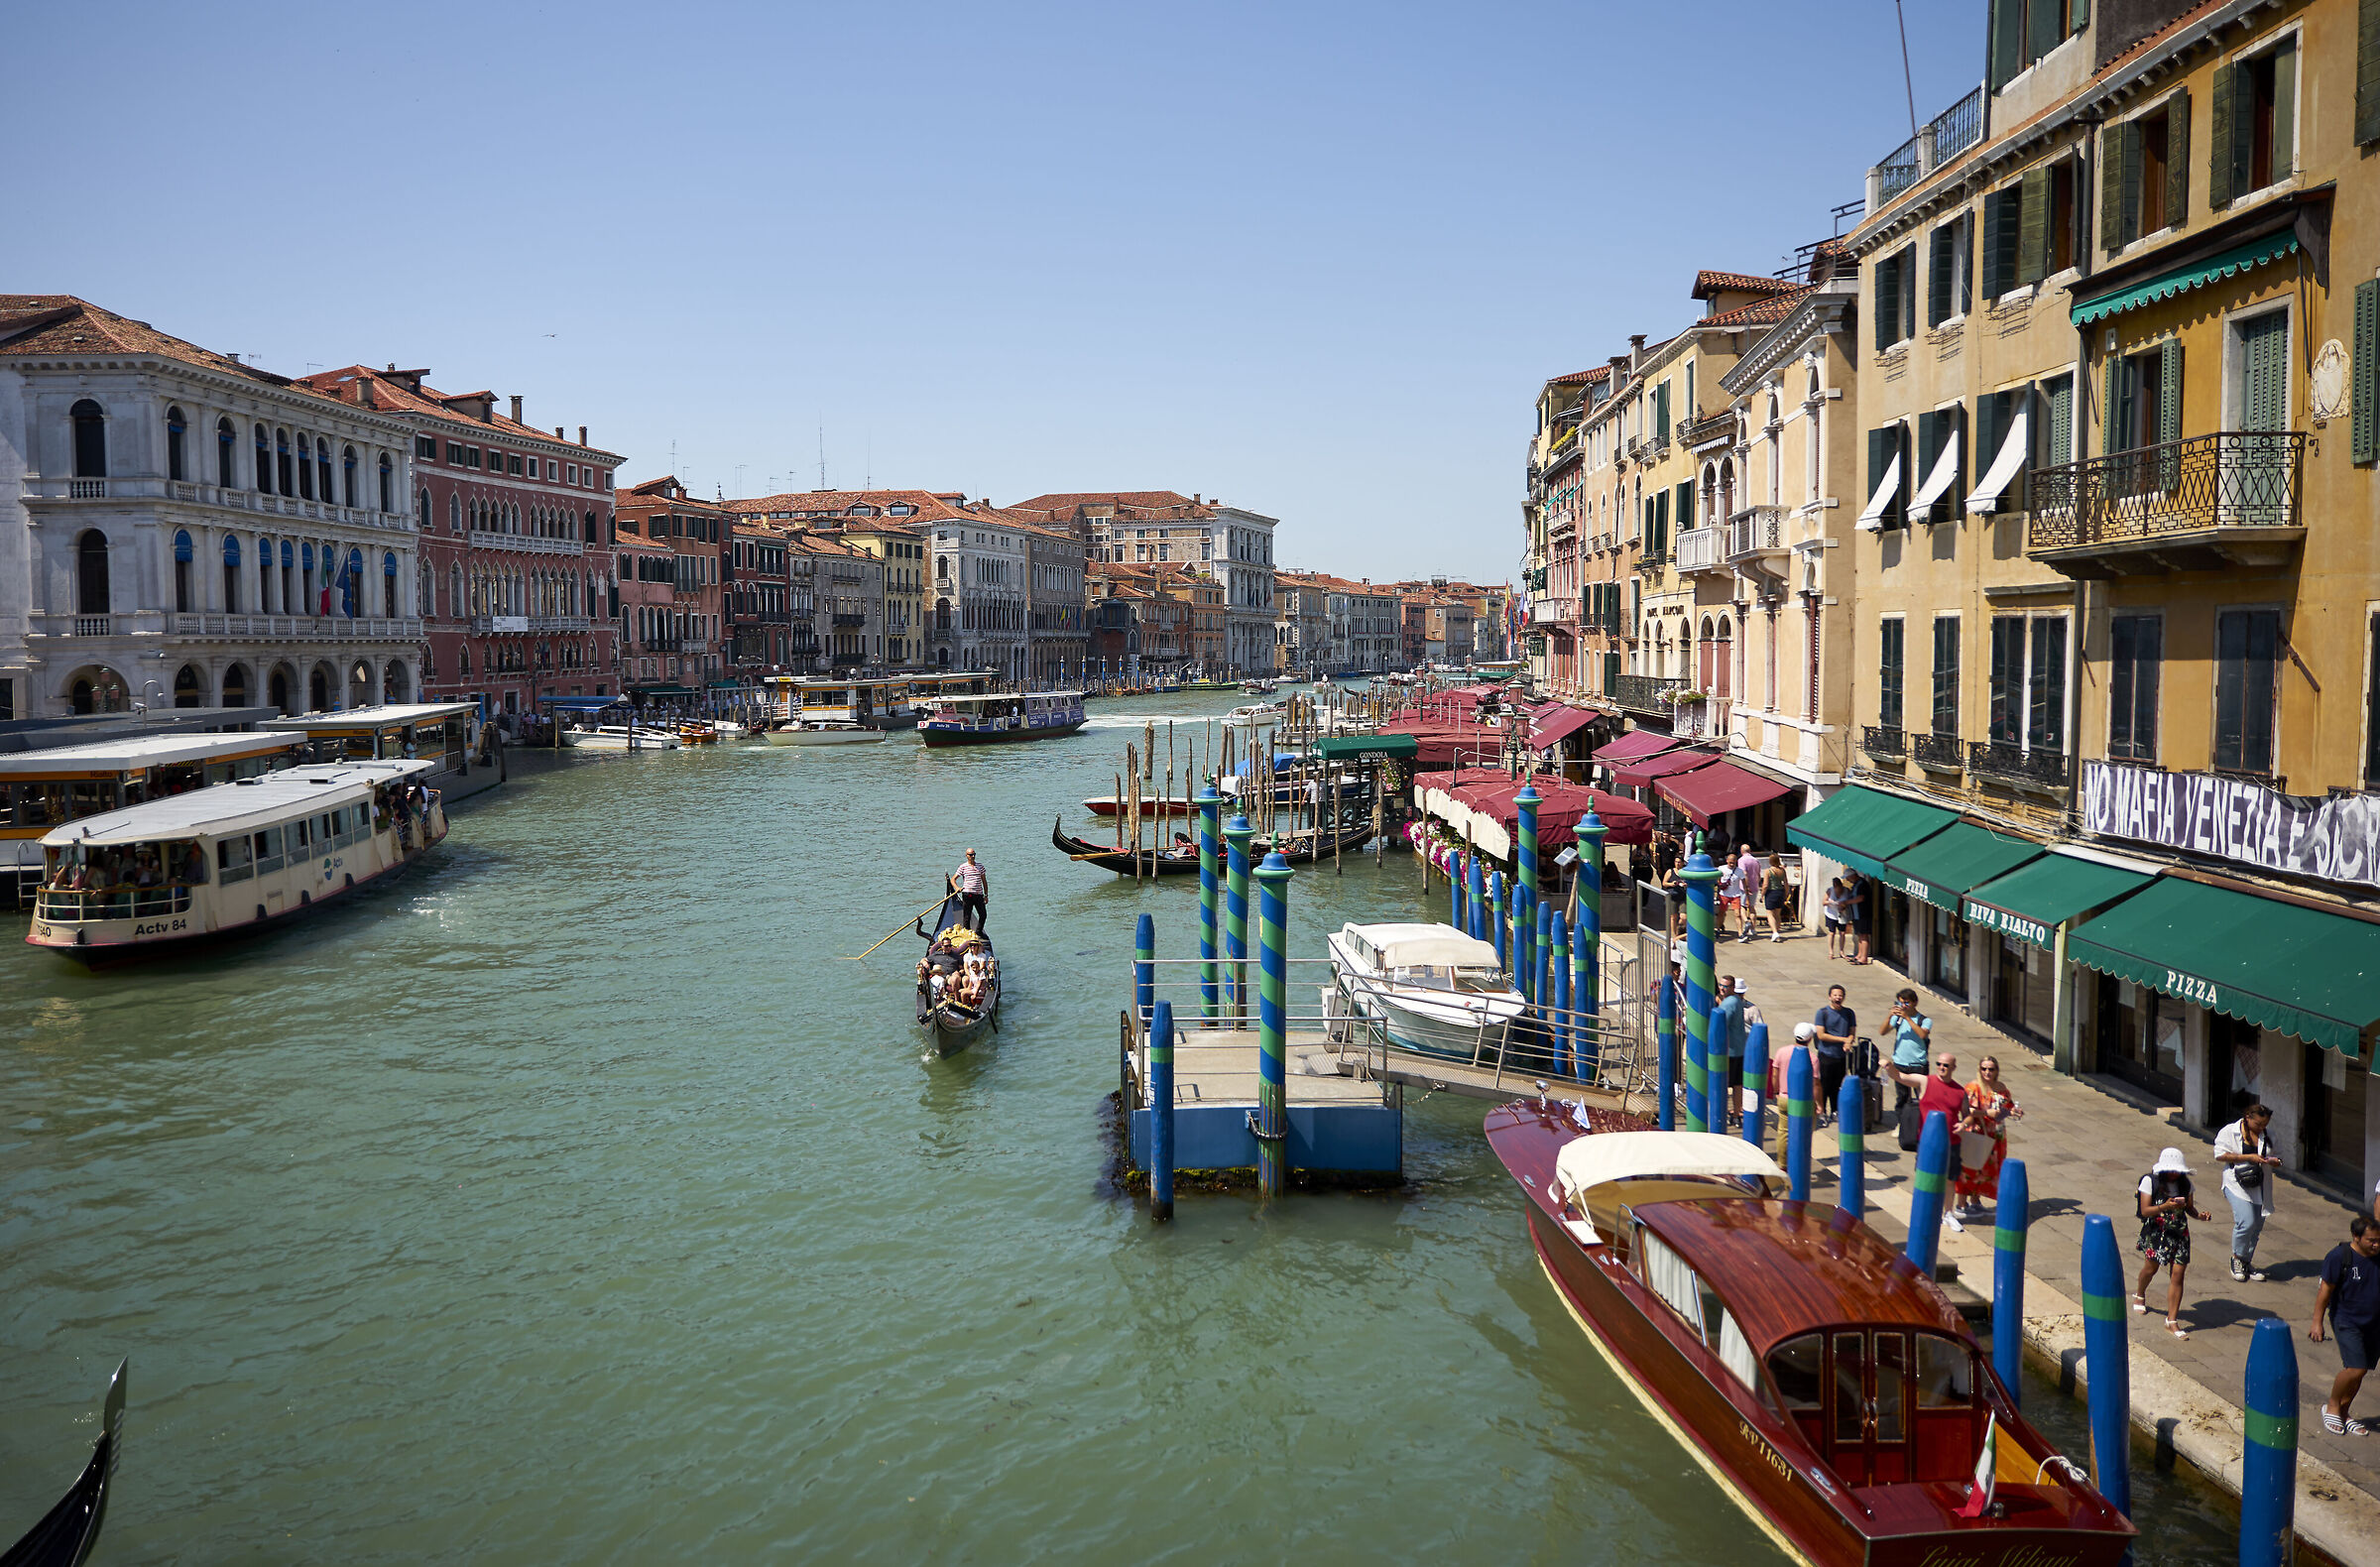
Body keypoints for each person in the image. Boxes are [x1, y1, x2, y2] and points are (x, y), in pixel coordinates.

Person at [2135, 1146, 2212, 1339]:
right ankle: (2139, 1293)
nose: (2174, 1174)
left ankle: (2172, 1320)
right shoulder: (2149, 1181)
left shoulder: (2186, 1186)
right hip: (2157, 1233)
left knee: (2178, 1275)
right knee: (2150, 1269)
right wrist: (2164, 1206)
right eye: (2171, 1170)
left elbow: (2190, 1209)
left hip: (2179, 1234)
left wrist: (2200, 1216)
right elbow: (2145, 1210)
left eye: (2177, 1170)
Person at [2313, 1217, 2380, 1436]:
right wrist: (2317, 1323)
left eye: (2379, 1241)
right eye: (2371, 1241)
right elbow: (2325, 1291)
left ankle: (2344, 1411)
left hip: (2374, 1323)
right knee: (2355, 1367)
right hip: (2347, 1320)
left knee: (2362, 1371)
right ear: (2356, 1237)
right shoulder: (2339, 1257)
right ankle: (2332, 1405)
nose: (2376, 1245)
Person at [1887, 1050, 1969, 1217]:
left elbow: (1967, 1115)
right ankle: (1925, 1210)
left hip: (1951, 1142)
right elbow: (1900, 1077)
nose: (1941, 1067)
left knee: (1950, 1178)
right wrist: (1889, 1066)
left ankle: (1948, 1213)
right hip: (1927, 1142)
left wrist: (1963, 1124)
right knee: (1925, 1177)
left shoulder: (1960, 1092)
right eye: (1938, 1064)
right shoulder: (1925, 1081)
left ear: (1953, 1067)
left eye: (1945, 1065)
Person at [2215, 1102, 2283, 1282]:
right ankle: (2237, 1258)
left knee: (2257, 1227)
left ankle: (2246, 1262)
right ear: (2248, 1117)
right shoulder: (2230, 1131)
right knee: (2246, 1221)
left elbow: (2280, 1156)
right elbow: (2219, 1155)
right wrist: (2247, 1157)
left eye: (2265, 1125)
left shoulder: (2269, 1135)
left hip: (2260, 1184)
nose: (2262, 1128)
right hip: (2236, 1183)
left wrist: (2276, 1162)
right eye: (2258, 1124)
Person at [1954, 1055, 2020, 1220]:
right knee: (1969, 1168)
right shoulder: (1973, 1087)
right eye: (1984, 1069)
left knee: (1986, 1170)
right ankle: (1961, 1205)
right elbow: (1966, 1110)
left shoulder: (2001, 1088)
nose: (1987, 1072)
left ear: (1997, 1071)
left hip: (1995, 1135)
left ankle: (1976, 1202)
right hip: (1977, 1132)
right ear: (1979, 1069)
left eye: (1991, 1069)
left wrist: (2013, 1112)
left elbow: (2006, 1108)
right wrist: (1986, 1113)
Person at [1813, 983, 1857, 1124]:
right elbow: (1821, 1035)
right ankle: (1822, 1112)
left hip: (1842, 1056)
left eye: (1840, 995)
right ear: (1829, 997)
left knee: (1837, 1085)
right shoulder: (1822, 1013)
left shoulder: (1849, 1013)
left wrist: (1849, 1041)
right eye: (1835, 995)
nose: (1838, 998)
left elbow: (1852, 1033)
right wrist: (1843, 1039)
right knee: (1824, 1085)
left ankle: (1835, 1110)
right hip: (1826, 1055)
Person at [1886, 989, 1933, 1111]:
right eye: (1900, 1003)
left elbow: (1922, 1034)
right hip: (1900, 1063)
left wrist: (1907, 1018)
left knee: (1922, 1097)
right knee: (1902, 1098)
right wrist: (1890, 1016)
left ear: (1914, 1003)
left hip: (1917, 1065)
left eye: (1906, 1003)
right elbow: (1882, 1031)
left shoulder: (1924, 1020)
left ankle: (1922, 1124)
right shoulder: (1897, 1019)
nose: (1903, 1006)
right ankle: (1902, 1124)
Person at [1712, 976, 1747, 1126]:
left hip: (1729, 1051)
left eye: (1725, 986)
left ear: (1733, 988)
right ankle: (1737, 1113)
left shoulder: (1729, 1003)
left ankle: (1723, 1113)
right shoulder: (1737, 1001)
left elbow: (1719, 1022)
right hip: (1739, 1048)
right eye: (1720, 985)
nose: (1721, 988)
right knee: (1737, 1084)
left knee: (1725, 1083)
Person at [952, 848, 990, 933]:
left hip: (979, 894)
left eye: (974, 854)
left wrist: (986, 895)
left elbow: (984, 881)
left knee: (983, 915)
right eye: (970, 855)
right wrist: (957, 888)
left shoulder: (980, 866)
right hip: (967, 894)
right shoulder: (963, 867)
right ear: (966, 856)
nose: (972, 856)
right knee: (967, 916)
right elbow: (953, 879)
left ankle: (978, 932)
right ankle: (967, 933)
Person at [1759, 853, 1790, 943]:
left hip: (1771, 893)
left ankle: (1775, 932)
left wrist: (1762, 895)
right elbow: (1786, 883)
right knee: (1777, 914)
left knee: (1770, 914)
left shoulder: (1768, 871)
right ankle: (1776, 932)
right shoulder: (1782, 870)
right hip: (1780, 892)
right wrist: (1786, 893)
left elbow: (1765, 885)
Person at [1846, 871, 1873, 965]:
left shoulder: (1862, 884)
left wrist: (1847, 902)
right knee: (1859, 934)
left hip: (1863, 914)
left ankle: (1864, 958)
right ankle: (1859, 955)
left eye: (1848, 877)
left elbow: (1861, 898)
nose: (1847, 880)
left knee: (1864, 935)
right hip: (1857, 914)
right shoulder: (1856, 884)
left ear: (1853, 876)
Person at [1823, 876, 1849, 960]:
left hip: (1842, 914)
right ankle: (1831, 952)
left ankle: (1842, 951)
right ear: (1834, 887)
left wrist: (1843, 906)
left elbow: (1849, 902)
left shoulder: (1846, 891)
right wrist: (1831, 902)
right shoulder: (1830, 891)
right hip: (1831, 914)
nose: (1839, 890)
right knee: (1831, 933)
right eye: (1837, 888)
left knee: (1842, 933)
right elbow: (1823, 902)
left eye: (1840, 887)